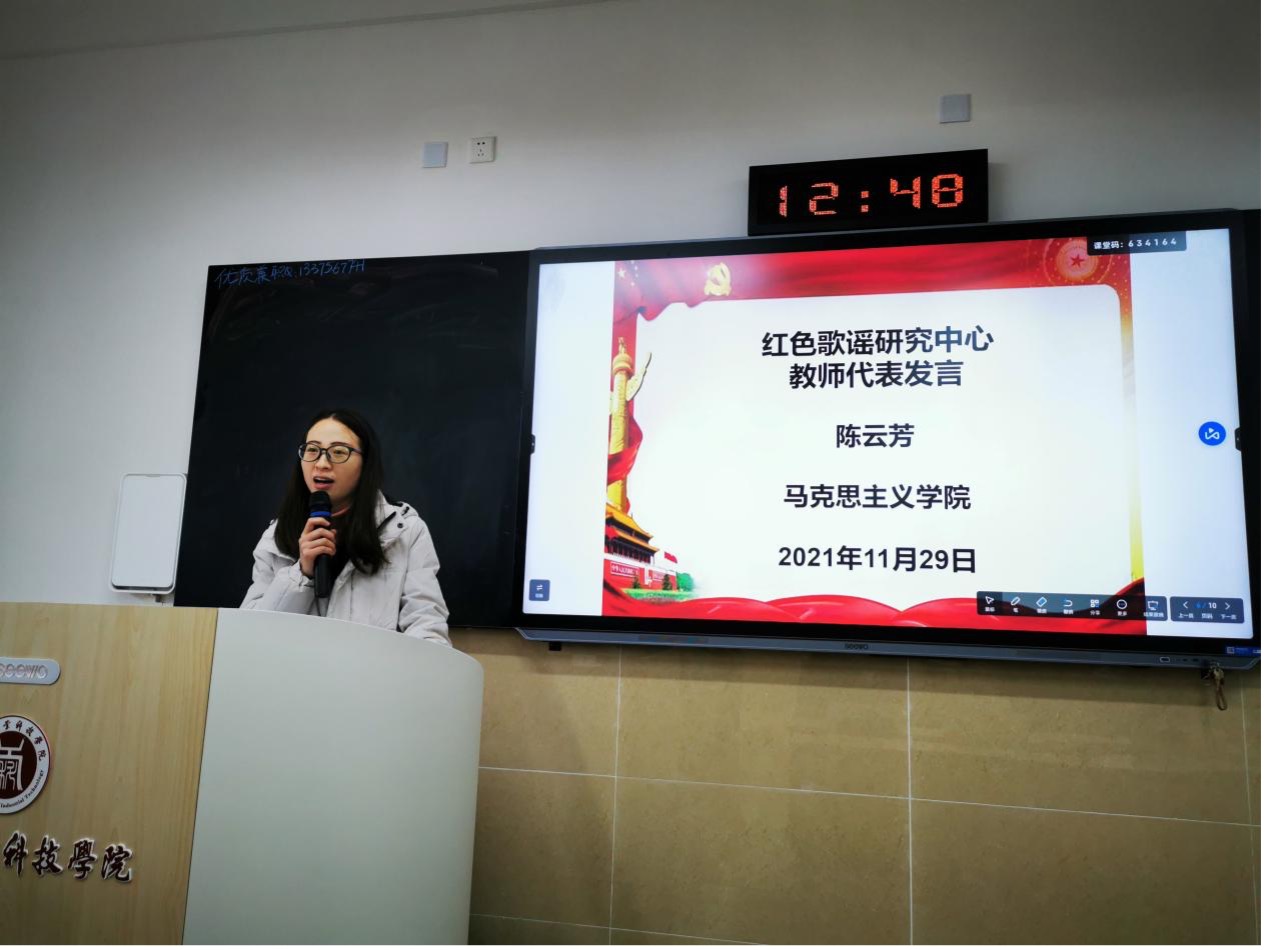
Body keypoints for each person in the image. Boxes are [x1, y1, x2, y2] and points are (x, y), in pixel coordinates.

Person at [241, 408, 450, 645]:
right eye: (312, 450)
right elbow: (252, 635)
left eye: (338, 452)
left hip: (372, 669)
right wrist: (301, 574)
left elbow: (426, 624)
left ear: (365, 463)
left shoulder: (404, 531)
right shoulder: (276, 536)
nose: (321, 463)